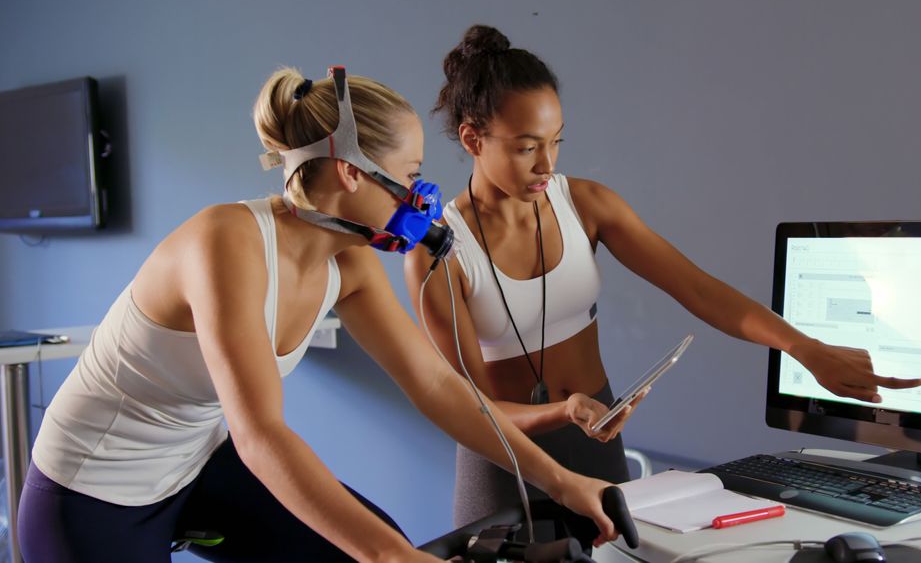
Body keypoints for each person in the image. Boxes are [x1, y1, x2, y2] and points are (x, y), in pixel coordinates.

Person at [18, 65, 621, 563]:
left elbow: (435, 384)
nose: (422, 197)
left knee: (366, 542)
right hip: (90, 489)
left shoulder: (349, 262)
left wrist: (562, 480)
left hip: (194, 463)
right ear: (352, 171)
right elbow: (261, 435)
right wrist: (392, 561)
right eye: (410, 176)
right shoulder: (225, 242)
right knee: (381, 552)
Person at [403, 24, 921, 526]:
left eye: (555, 141)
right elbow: (473, 407)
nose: (547, 164)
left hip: (596, 439)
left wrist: (803, 348)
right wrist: (563, 411)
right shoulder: (437, 253)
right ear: (473, 139)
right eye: (525, 147)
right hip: (503, 459)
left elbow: (698, 289)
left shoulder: (586, 204)